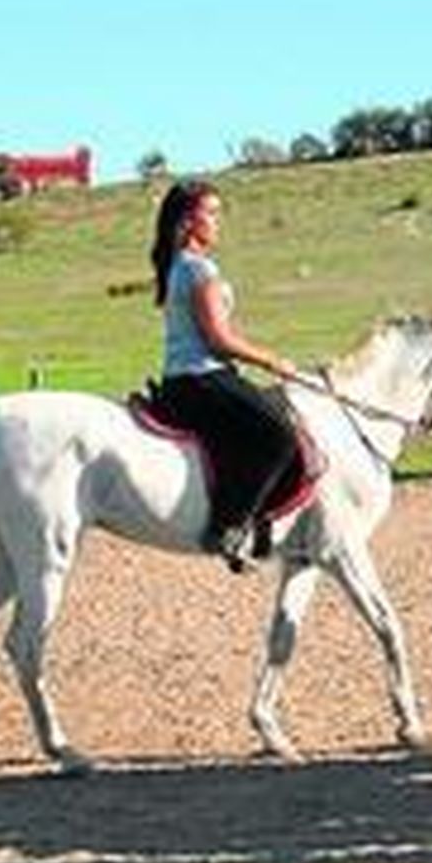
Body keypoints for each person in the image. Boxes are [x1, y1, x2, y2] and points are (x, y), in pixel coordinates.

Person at [149, 180, 300, 572]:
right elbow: (218, 340)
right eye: (211, 213)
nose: (218, 223)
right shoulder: (200, 269)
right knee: (280, 435)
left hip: (182, 381)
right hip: (203, 377)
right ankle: (229, 528)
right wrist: (272, 361)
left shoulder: (176, 265)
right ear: (187, 221)